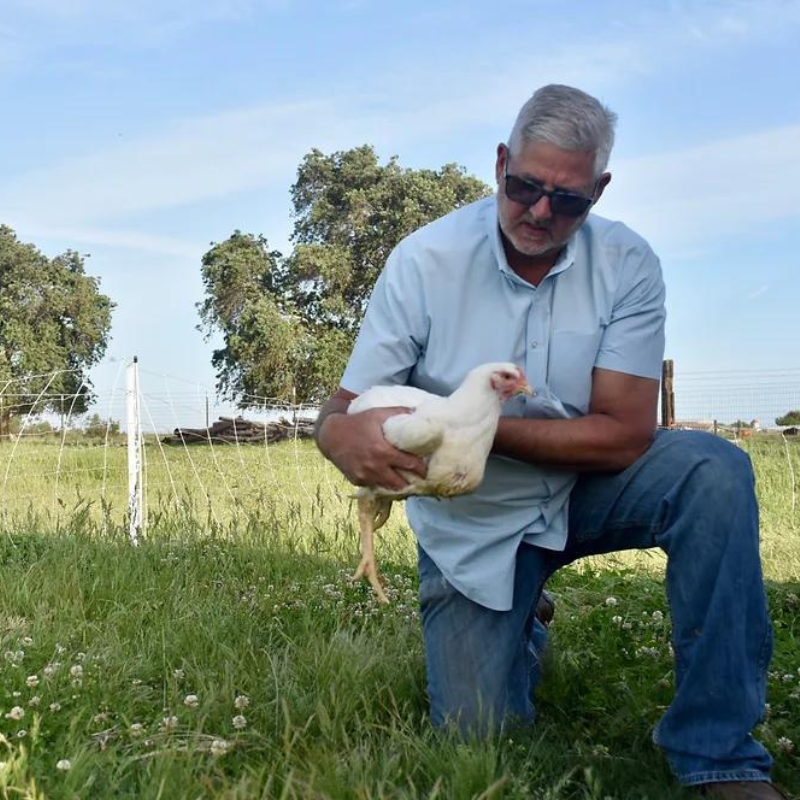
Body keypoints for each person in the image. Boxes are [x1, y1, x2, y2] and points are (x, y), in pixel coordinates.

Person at [314, 85, 782, 798]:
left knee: (713, 472)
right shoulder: (424, 260)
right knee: (479, 741)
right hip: (473, 526)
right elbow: (345, 409)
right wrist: (337, 437)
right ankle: (519, 609)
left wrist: (476, 429)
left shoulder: (628, 264)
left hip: (588, 488)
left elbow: (625, 434)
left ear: (600, 188)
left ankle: (719, 752)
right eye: (525, 186)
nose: (539, 212)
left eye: (567, 200)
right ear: (501, 163)